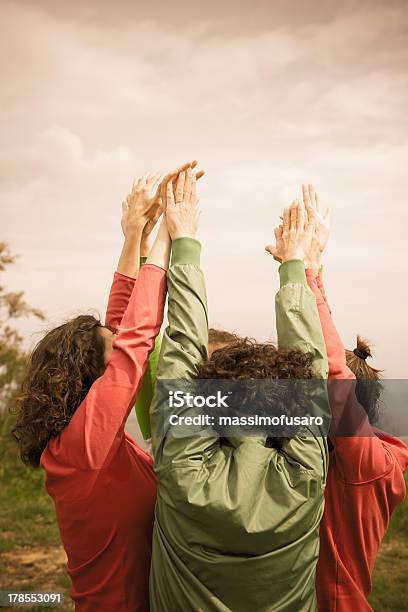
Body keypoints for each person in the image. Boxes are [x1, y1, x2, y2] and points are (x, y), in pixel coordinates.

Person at [12, 162, 200, 611]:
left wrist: (133, 233)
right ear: (93, 374)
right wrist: (173, 235)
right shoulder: (84, 446)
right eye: (109, 354)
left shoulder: (82, 436)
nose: (117, 350)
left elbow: (117, 327)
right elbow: (134, 337)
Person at [148, 179, 331, 611]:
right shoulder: (305, 475)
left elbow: (179, 353)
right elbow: (311, 370)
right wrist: (297, 266)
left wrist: (184, 241)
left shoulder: (184, 471)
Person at [292, 184, 408, 611]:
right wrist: (316, 270)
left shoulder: (370, 464)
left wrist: (304, 270)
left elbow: (333, 372)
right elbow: (335, 363)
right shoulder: (359, 457)